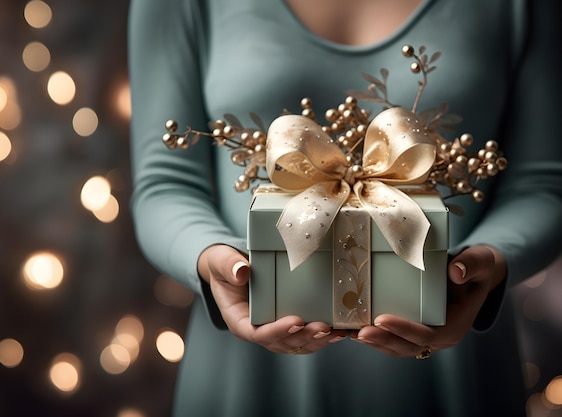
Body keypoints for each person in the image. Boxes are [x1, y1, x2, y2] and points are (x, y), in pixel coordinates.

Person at [128, 0, 562, 415]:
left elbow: (543, 183)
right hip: (247, 370)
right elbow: (165, 182)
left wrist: (489, 262)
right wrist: (212, 258)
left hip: (454, 361)